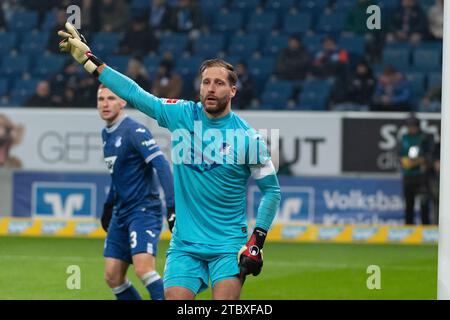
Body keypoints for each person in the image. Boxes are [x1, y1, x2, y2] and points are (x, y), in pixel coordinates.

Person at [58, 22, 281, 300]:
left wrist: (256, 241)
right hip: (185, 245)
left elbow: (271, 191)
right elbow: (135, 95)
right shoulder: (182, 115)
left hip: (228, 245)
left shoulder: (248, 138)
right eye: (206, 82)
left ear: (233, 90)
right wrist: (90, 62)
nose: (211, 89)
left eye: (219, 83)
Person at [97, 84, 175, 300]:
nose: (105, 104)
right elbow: (118, 176)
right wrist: (108, 206)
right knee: (112, 276)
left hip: (143, 210)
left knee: (143, 269)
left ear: (122, 102)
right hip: (121, 213)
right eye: (101, 99)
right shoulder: (106, 134)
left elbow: (161, 164)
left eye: (111, 98)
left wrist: (171, 205)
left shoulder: (134, 130)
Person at [398, 115, 433, 225]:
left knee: (424, 203)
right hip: (408, 176)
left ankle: (425, 227)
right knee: (409, 204)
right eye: (409, 126)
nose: (411, 128)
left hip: (421, 176)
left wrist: (417, 161)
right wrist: (406, 162)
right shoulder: (404, 138)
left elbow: (429, 156)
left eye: (413, 126)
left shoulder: (425, 137)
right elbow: (399, 155)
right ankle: (408, 227)